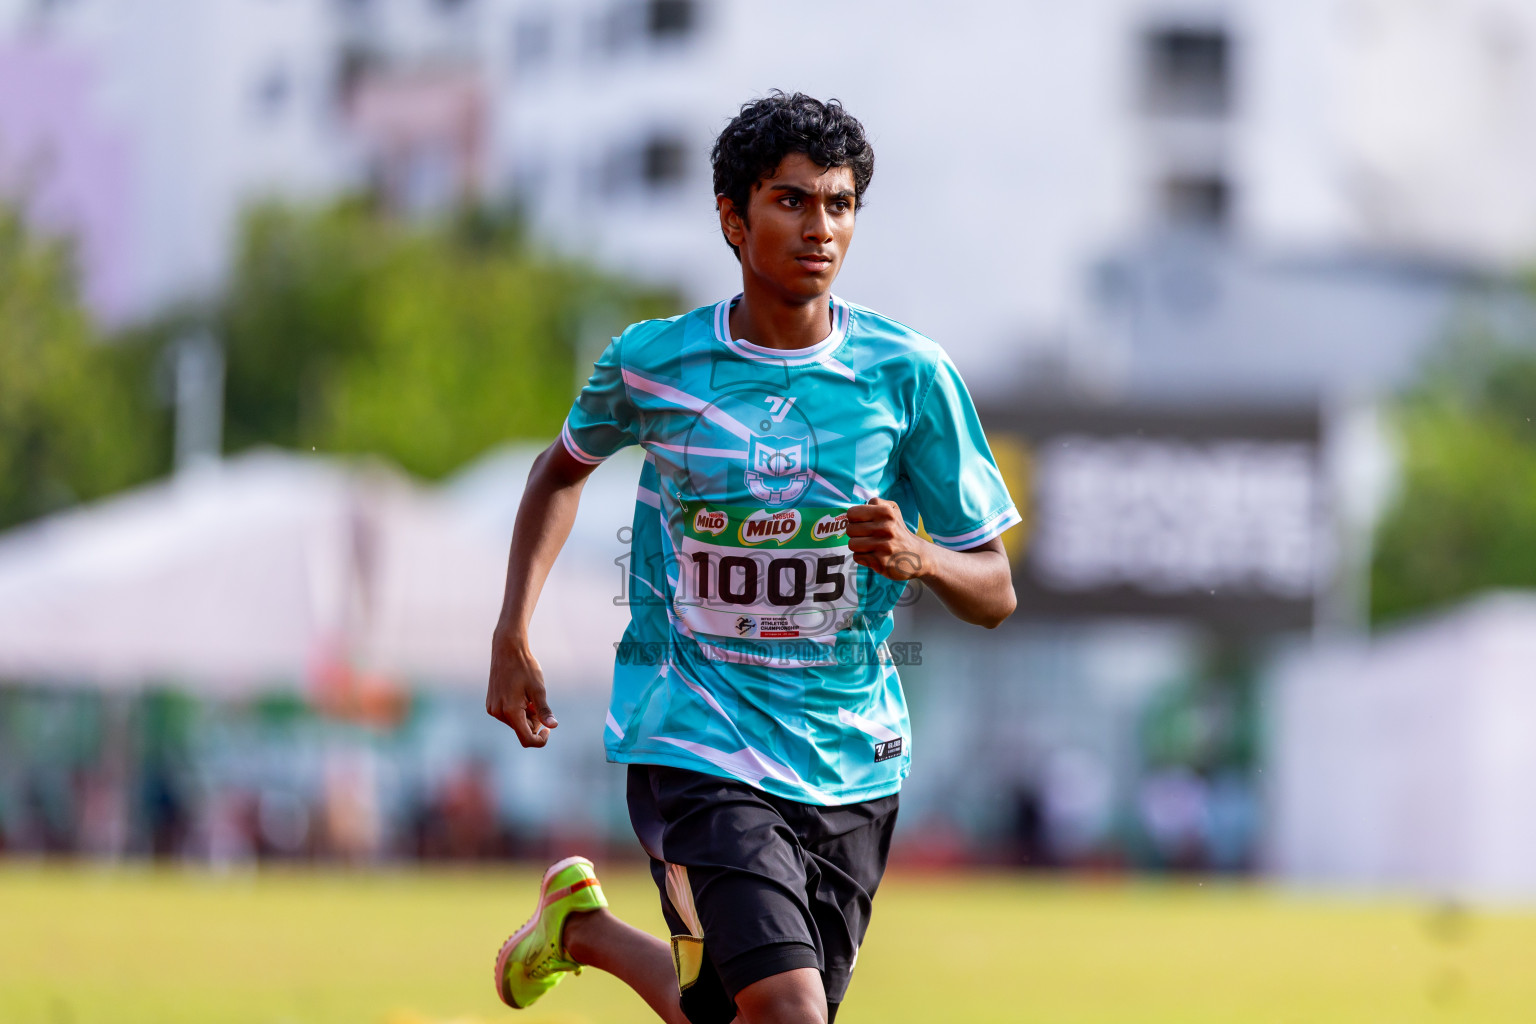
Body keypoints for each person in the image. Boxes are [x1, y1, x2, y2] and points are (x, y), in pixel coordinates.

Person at [486, 92, 1020, 1024]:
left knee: (737, 1013)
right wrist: (511, 631)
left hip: (852, 759)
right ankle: (594, 933)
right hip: (696, 736)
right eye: (792, 201)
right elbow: (559, 471)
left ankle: (584, 934)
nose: (821, 227)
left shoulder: (911, 375)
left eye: (840, 205)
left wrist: (920, 557)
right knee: (785, 1013)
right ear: (733, 218)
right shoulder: (654, 363)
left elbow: (996, 591)